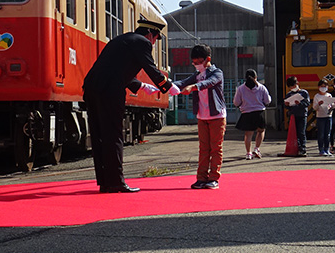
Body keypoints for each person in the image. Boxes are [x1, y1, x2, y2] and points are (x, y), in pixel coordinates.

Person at [83, 19, 181, 193]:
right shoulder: (142, 43)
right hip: (109, 91)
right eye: (155, 39)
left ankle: (105, 182)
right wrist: (167, 86)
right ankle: (116, 182)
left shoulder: (122, 40)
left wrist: (142, 86)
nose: (153, 43)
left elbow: (117, 69)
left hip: (92, 87)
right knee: (113, 134)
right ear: (151, 34)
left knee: (99, 135)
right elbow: (150, 67)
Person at [173, 44, 227, 190]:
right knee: (203, 148)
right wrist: (166, 86)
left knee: (216, 148)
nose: (196, 65)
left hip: (217, 116)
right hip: (202, 116)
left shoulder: (217, 73)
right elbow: (183, 83)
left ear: (207, 59)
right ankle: (201, 178)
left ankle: (214, 178)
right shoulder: (196, 75)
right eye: (194, 62)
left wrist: (194, 87)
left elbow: (208, 83)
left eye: (198, 62)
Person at [233, 69, 272, 160]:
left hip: (246, 113)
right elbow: (267, 100)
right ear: (256, 77)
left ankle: (248, 153)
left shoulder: (241, 88)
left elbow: (236, 102)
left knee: (248, 134)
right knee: (261, 131)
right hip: (259, 112)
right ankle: (257, 148)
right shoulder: (261, 87)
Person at [284, 76, 310, 156]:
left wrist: (300, 103)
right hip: (293, 115)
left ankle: (303, 148)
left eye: (294, 86)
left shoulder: (304, 93)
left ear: (297, 84)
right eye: (291, 87)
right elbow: (286, 105)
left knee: (301, 132)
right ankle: (296, 148)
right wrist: (287, 105)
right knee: (294, 133)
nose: (293, 88)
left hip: (302, 115)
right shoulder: (289, 94)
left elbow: (307, 103)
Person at [313, 79, 335, 157]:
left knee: (328, 134)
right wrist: (319, 104)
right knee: (321, 134)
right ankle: (321, 149)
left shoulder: (329, 95)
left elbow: (332, 106)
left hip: (328, 116)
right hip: (320, 117)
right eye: (322, 86)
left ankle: (327, 149)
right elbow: (314, 108)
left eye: (325, 86)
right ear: (319, 87)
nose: (323, 88)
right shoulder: (316, 96)